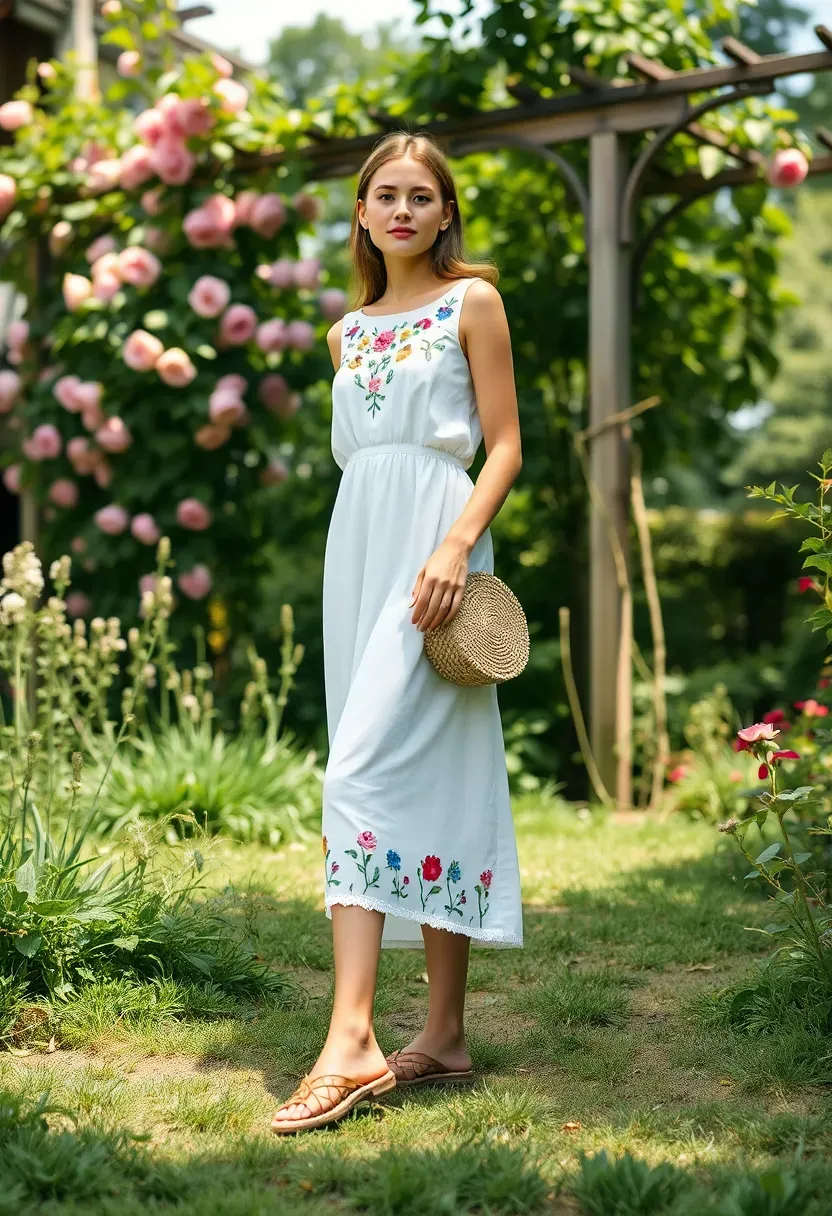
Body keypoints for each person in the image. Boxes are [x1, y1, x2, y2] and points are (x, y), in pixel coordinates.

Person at [271, 130, 524, 1134]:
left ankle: (352, 1038)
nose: (405, 209)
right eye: (387, 194)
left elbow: (504, 444)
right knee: (399, 768)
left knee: (359, 773)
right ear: (363, 215)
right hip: (359, 549)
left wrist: (458, 546)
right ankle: (447, 1035)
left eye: (423, 195)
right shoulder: (345, 331)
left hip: (437, 544)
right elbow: (357, 460)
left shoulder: (475, 302)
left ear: (444, 211)